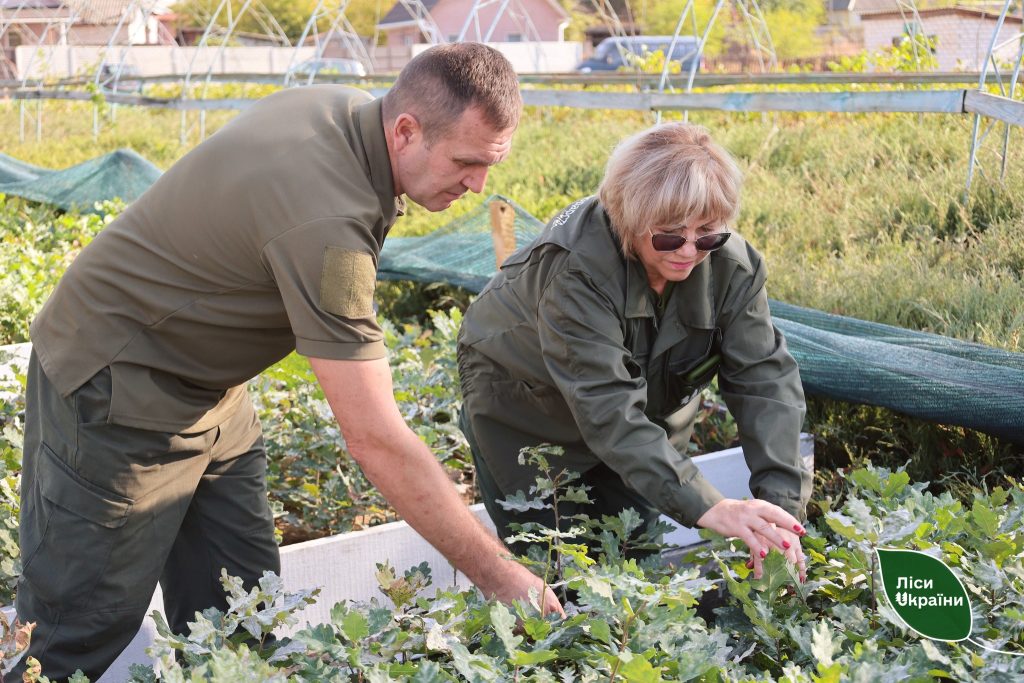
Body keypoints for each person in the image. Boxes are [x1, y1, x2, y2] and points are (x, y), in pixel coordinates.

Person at [15, 43, 563, 681]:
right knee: (72, 633)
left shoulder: (343, 113)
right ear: (406, 130)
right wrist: (500, 576)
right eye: (467, 162)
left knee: (244, 612)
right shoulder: (327, 218)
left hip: (209, 386)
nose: (478, 186)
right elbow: (374, 437)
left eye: (489, 164)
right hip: (115, 385)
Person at [457, 123, 813, 581]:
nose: (689, 251)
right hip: (527, 412)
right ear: (630, 218)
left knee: (635, 567)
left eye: (707, 234)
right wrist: (713, 506)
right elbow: (608, 408)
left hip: (638, 422)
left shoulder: (733, 268)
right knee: (556, 577)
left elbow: (766, 382)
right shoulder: (575, 273)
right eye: (669, 236)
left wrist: (777, 512)